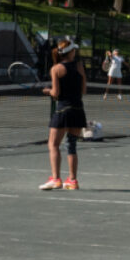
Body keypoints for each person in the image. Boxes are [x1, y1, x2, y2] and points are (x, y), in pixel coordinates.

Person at [40, 38, 88, 191]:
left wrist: (48, 91)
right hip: (78, 110)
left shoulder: (55, 69)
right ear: (71, 52)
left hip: (62, 111)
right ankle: (72, 181)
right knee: (71, 145)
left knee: (53, 144)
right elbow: (83, 90)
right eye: (75, 50)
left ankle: (56, 179)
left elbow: (56, 93)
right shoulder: (80, 66)